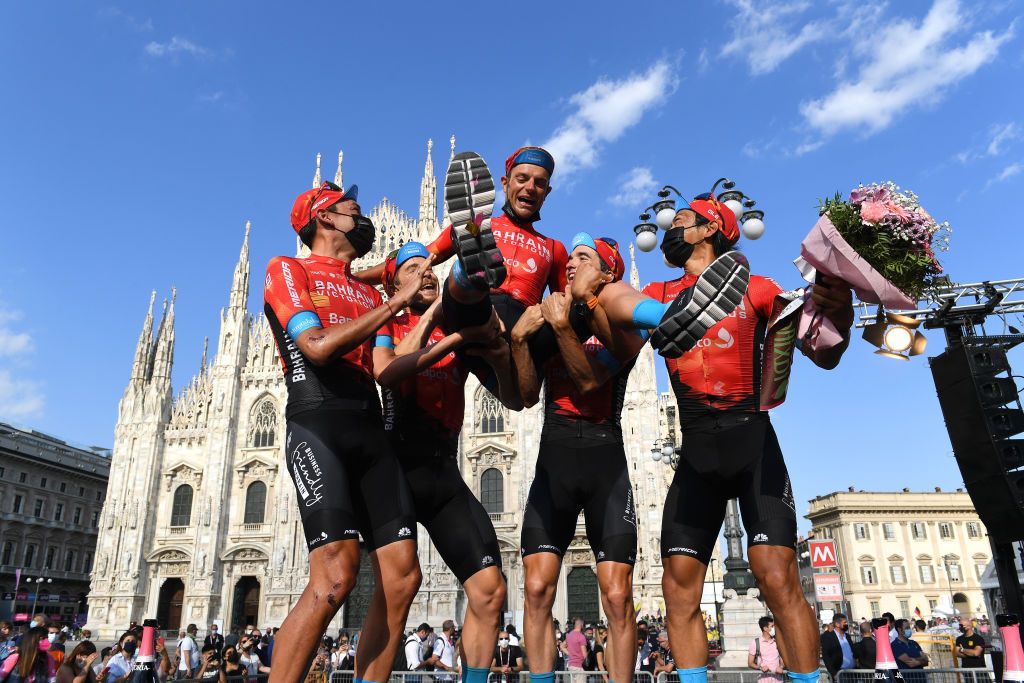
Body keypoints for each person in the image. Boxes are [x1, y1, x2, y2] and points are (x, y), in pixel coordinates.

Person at [571, 190, 852, 683]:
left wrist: (841, 309)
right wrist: (593, 297)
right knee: (679, 591)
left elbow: (824, 353)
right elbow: (612, 354)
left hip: (751, 441)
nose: (668, 230)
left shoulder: (760, 288)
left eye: (680, 220)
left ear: (710, 230)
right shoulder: (656, 291)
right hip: (695, 449)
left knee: (778, 578)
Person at [263, 181, 428, 683]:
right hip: (319, 422)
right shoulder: (287, 269)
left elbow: (384, 367)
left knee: (402, 577)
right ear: (325, 219)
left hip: (369, 428)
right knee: (335, 578)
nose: (364, 218)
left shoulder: (364, 289)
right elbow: (315, 346)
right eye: (353, 210)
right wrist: (395, 301)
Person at [372, 243, 513, 683]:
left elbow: (513, 393)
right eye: (414, 269)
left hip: (443, 472)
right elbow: (390, 368)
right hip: (396, 470)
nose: (427, 273)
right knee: (397, 591)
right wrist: (438, 321)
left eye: (430, 266)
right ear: (394, 285)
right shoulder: (387, 324)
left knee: (490, 592)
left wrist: (498, 343)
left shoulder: (457, 327)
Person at [512, 234, 646, 683]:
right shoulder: (552, 318)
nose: (570, 265)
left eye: (583, 258)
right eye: (568, 259)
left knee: (616, 595)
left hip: (605, 463)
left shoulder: (622, 329)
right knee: (534, 589)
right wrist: (518, 341)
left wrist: (565, 326)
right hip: (555, 460)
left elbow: (590, 383)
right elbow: (527, 396)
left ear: (608, 273)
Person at [749, 617, 785, 683]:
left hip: (778, 680)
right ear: (765, 628)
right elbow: (750, 663)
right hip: (763, 680)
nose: (774, 628)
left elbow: (782, 659)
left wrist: (781, 666)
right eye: (772, 626)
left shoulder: (778, 641)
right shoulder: (755, 643)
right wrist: (760, 668)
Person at [821, 614, 855, 683]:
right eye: (844, 622)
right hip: (839, 674)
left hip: (853, 672)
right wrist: (834, 673)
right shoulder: (828, 637)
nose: (847, 624)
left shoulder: (847, 636)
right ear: (837, 624)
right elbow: (826, 657)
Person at [955, 617, 986, 683]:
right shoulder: (959, 639)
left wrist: (962, 650)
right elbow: (956, 653)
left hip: (979, 670)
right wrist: (970, 654)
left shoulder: (978, 638)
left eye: (961, 625)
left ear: (968, 626)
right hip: (967, 671)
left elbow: (976, 653)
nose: (959, 627)